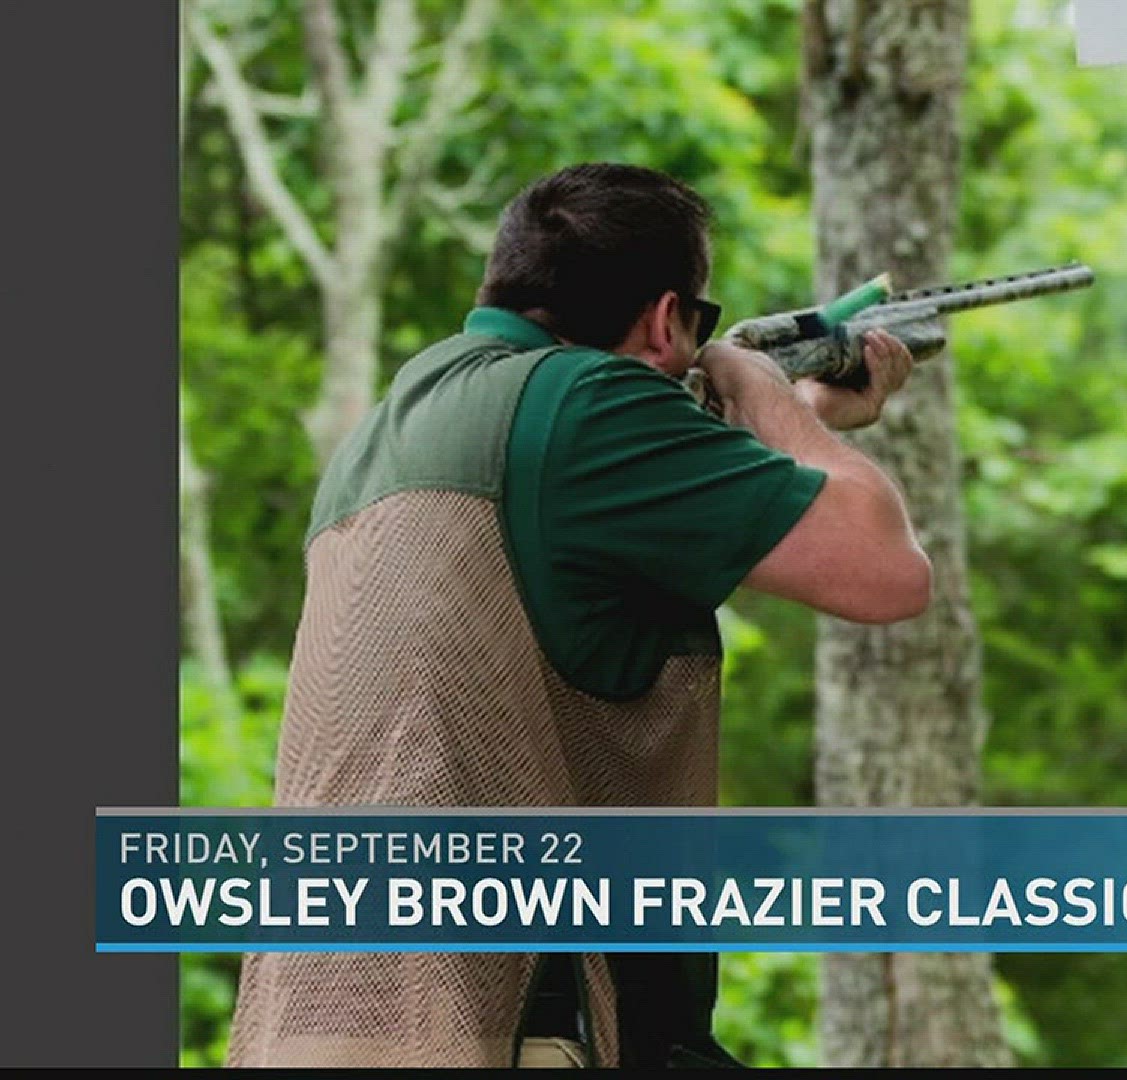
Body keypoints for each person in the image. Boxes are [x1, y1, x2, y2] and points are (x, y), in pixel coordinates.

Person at [224, 163, 931, 1068]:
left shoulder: (403, 418)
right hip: (505, 1023)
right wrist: (759, 393)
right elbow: (886, 573)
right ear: (663, 319)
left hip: (330, 1012)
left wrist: (798, 425)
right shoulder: (589, 405)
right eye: (696, 330)